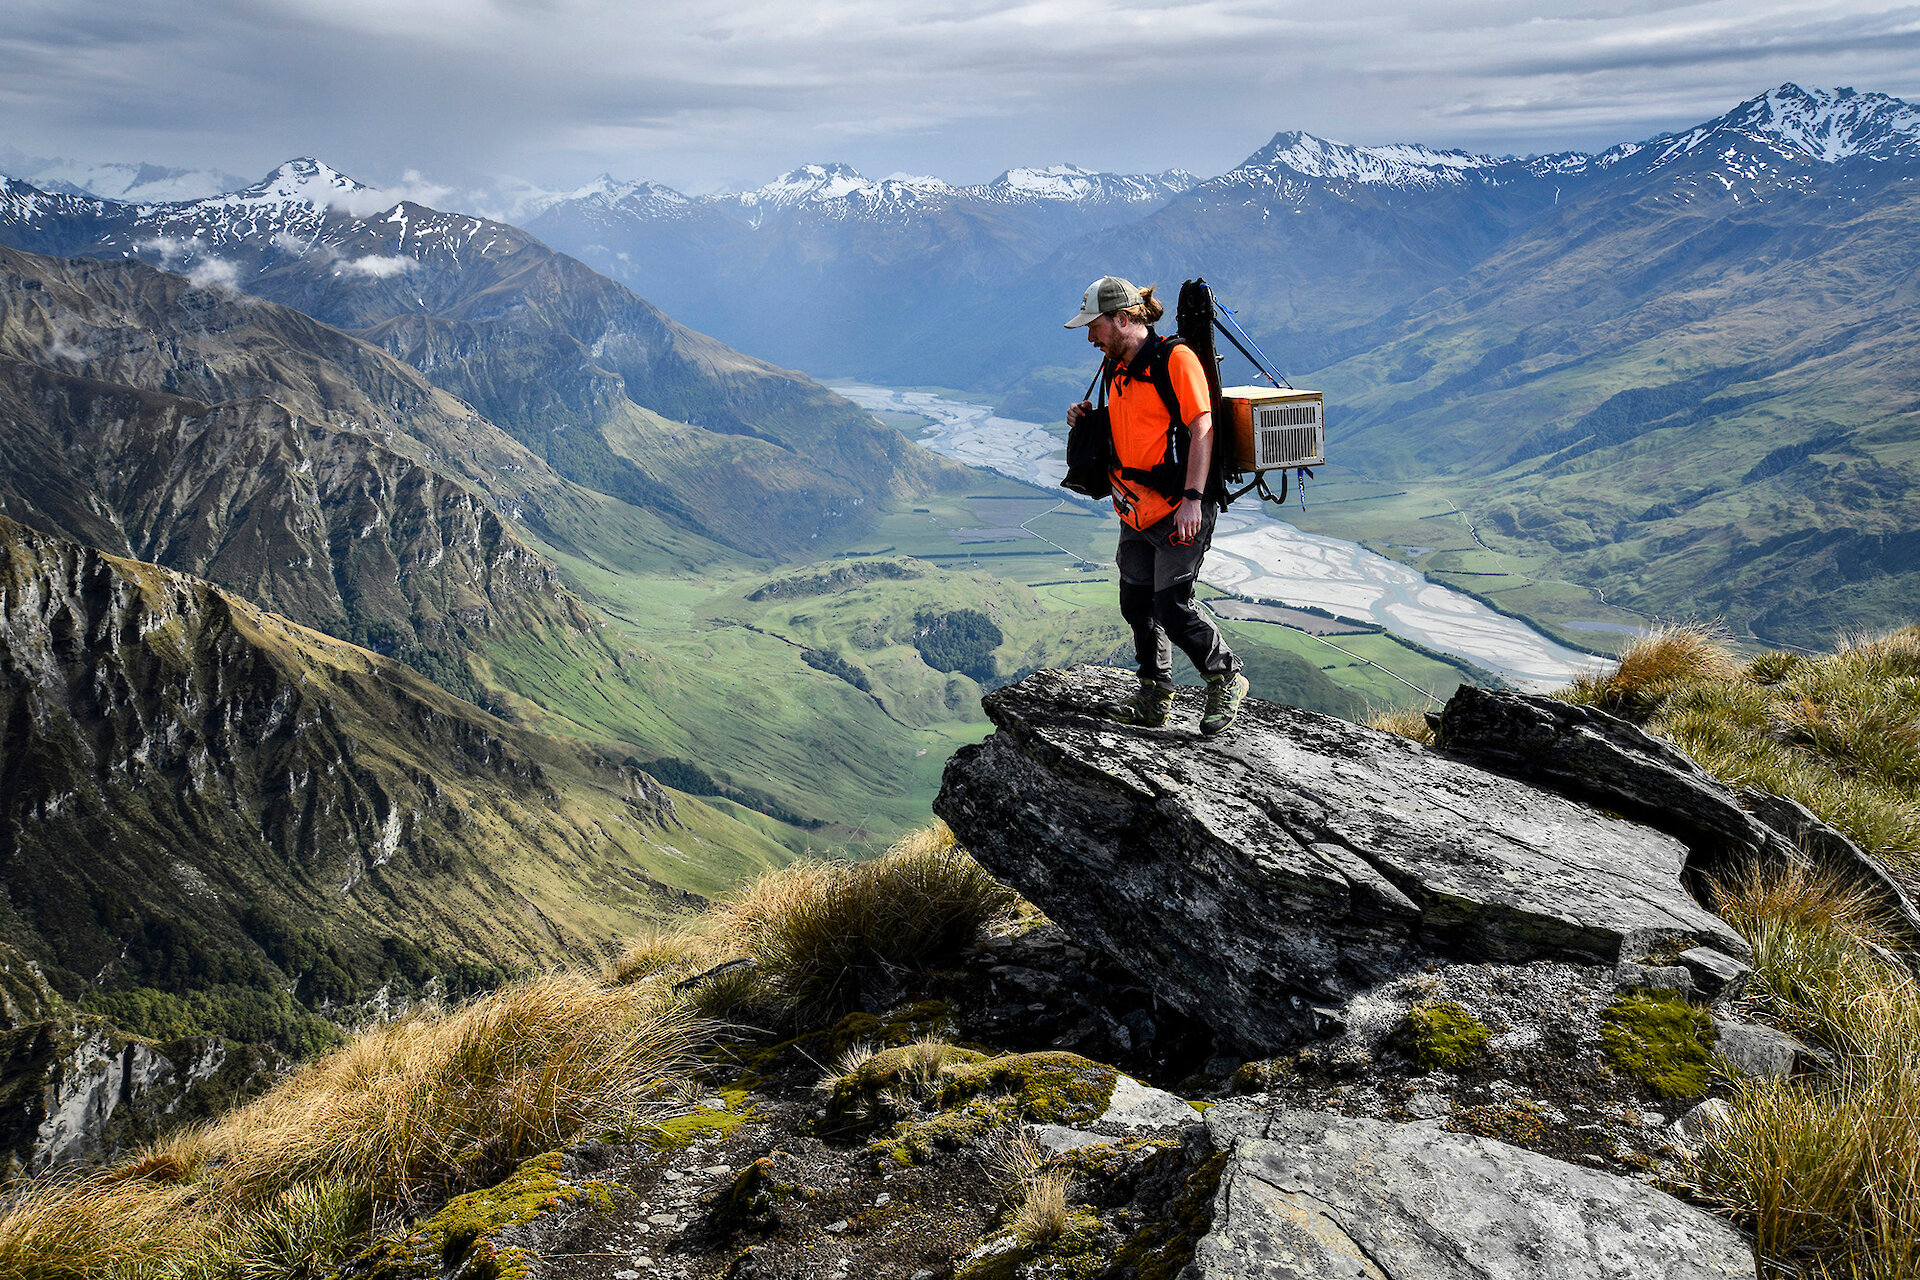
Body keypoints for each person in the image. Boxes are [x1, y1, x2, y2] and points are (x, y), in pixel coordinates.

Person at [1065, 275, 1248, 734]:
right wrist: (1088, 419)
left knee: (1171, 604)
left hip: (1178, 507)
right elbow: (1139, 423)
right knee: (1136, 602)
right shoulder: (1118, 366)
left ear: (1122, 319)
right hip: (1134, 507)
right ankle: (1154, 696)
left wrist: (1192, 498)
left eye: (1094, 327)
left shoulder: (1176, 360)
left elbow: (1201, 429)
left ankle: (1226, 676)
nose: (1090, 337)